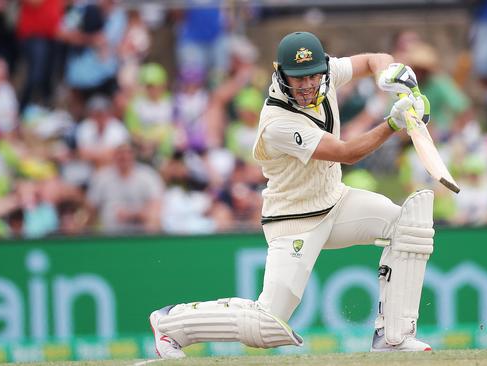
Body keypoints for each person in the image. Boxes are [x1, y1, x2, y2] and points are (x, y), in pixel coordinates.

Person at [149, 31, 436, 358]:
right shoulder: (277, 122)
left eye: (313, 76)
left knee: (408, 226)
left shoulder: (325, 73)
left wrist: (391, 72)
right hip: (295, 221)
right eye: (297, 79)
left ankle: (393, 337)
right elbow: (345, 153)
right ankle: (170, 323)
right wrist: (394, 122)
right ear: (280, 74)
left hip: (336, 202)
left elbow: (370, 60)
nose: (307, 85)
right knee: (267, 322)